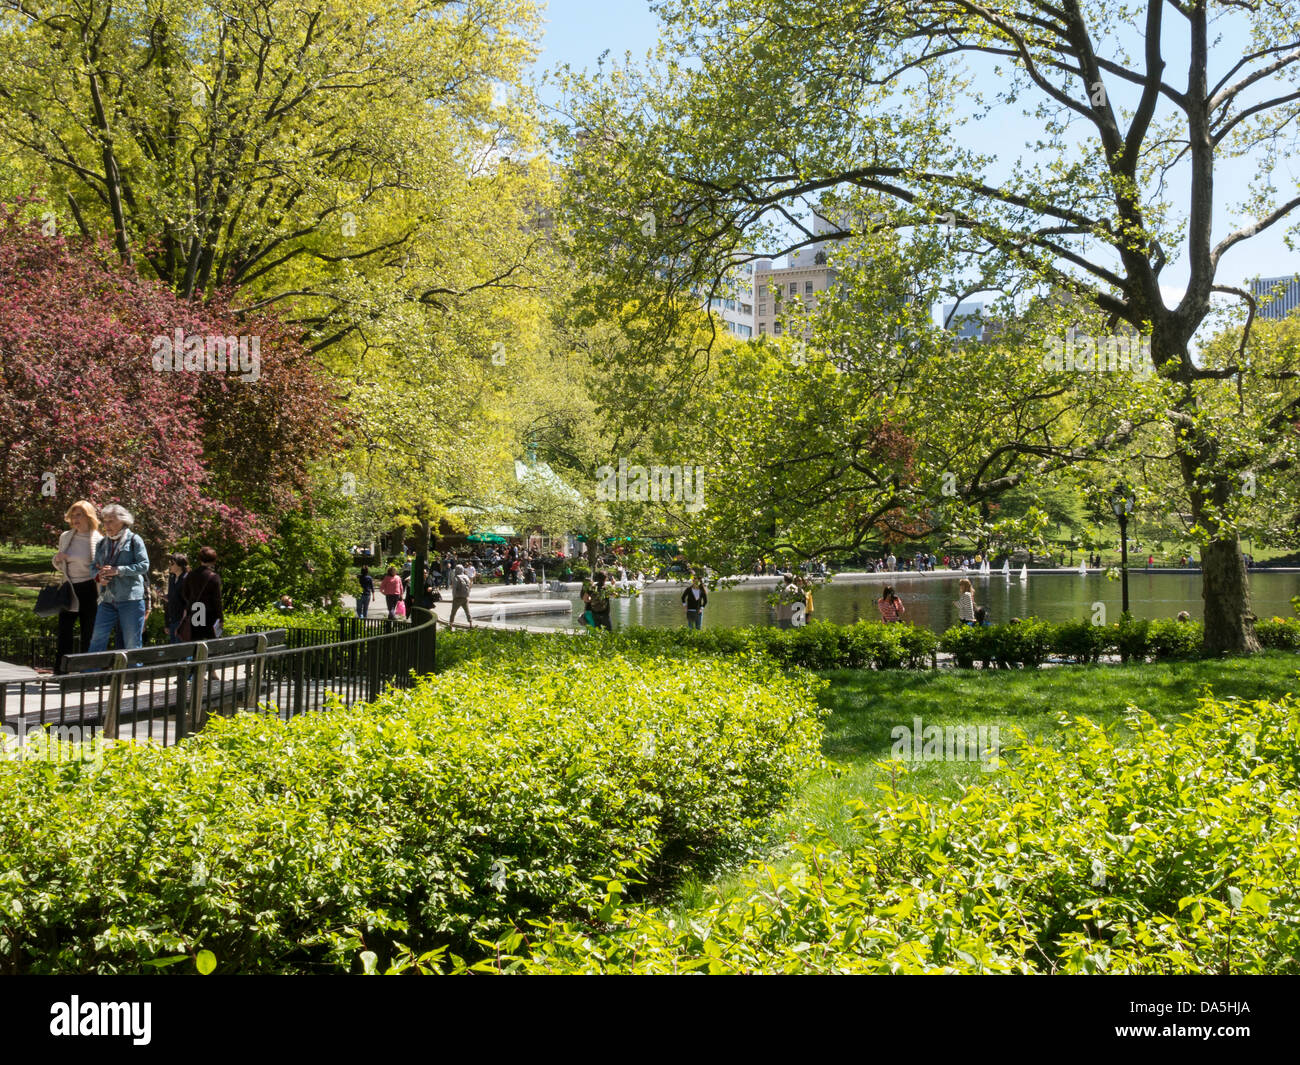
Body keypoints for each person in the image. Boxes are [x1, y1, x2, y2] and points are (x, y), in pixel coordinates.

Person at [86, 505, 151, 654]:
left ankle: (132, 676)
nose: (106, 525)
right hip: (107, 599)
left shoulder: (135, 540)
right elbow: (93, 567)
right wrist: (99, 577)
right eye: (105, 521)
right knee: (97, 639)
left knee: (132, 642)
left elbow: (144, 566)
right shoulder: (102, 543)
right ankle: (91, 675)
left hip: (131, 599)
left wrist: (118, 570)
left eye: (110, 521)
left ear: (123, 521)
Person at [52, 500, 102, 670]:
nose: (75, 518)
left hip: (89, 588)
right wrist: (57, 559)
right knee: (64, 631)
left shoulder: (98, 539)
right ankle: (61, 670)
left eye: (79, 514)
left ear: (88, 516)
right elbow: (59, 564)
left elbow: (100, 566)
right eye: (73, 515)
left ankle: (85, 671)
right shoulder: (66, 536)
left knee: (88, 632)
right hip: (69, 588)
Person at [182, 547, 224, 640]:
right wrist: (220, 618)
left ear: (200, 559)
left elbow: (185, 593)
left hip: (195, 611)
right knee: (210, 644)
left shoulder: (191, 575)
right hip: (209, 614)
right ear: (214, 561)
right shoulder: (214, 577)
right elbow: (217, 600)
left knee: (196, 642)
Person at [165, 553, 190, 642]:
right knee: (174, 651)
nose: (170, 566)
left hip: (182, 621)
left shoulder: (187, 579)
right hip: (173, 620)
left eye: (172, 563)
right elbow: (171, 600)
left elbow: (188, 603)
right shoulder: (172, 578)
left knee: (182, 651)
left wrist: (182, 625)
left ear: (179, 565)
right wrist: (167, 624)